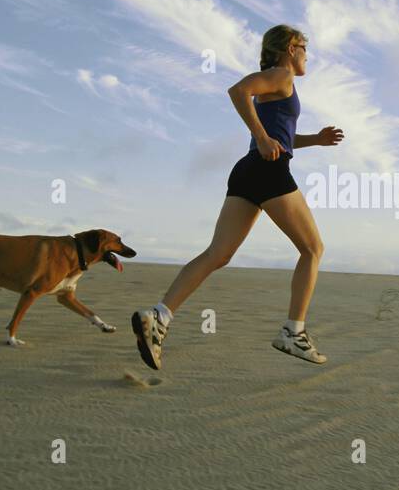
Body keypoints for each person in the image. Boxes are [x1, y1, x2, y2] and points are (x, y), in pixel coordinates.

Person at [132, 24, 344, 369]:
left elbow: (281, 135)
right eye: (305, 48)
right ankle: (294, 332)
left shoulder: (278, 83)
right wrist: (261, 137)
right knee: (313, 249)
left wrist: (313, 140)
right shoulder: (280, 75)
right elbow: (237, 91)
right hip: (268, 170)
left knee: (217, 254)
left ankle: (159, 316)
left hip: (248, 171)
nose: (308, 56)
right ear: (291, 47)